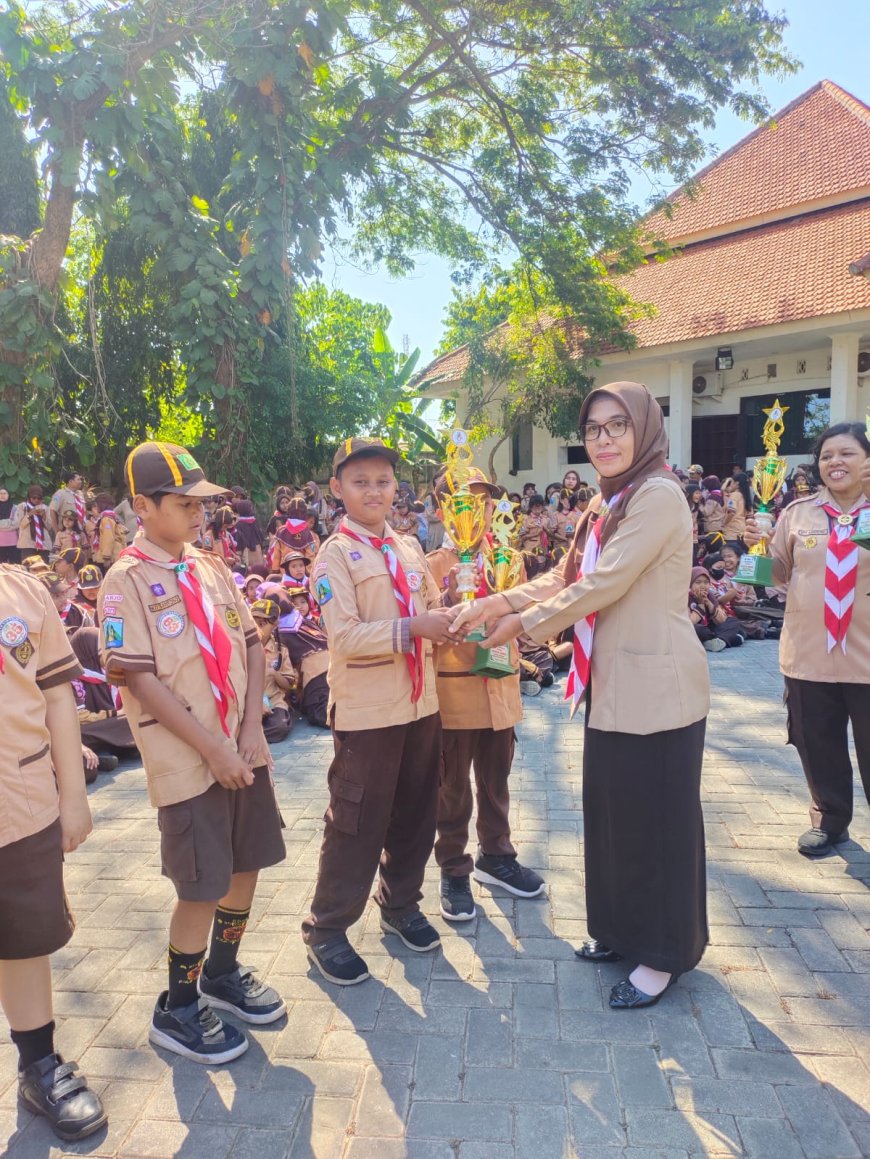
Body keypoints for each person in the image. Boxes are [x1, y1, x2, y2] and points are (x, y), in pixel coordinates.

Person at [449, 382, 710, 1009]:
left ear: (644, 429)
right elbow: (564, 577)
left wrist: (520, 627)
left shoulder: (658, 498)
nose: (605, 439)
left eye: (618, 425)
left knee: (660, 826)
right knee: (615, 819)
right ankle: (622, 932)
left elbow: (604, 583)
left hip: (660, 690)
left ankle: (665, 953)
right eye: (594, 429)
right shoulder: (605, 503)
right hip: (611, 688)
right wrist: (494, 601)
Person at [99, 441, 286, 1063]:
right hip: (189, 762)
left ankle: (222, 974)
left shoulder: (209, 567)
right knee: (200, 885)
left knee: (246, 863)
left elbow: (254, 644)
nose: (198, 513)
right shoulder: (123, 584)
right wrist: (213, 750)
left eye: (201, 502)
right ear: (142, 507)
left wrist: (254, 727)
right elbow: (142, 681)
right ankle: (178, 1007)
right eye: (183, 504)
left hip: (241, 746)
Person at [301, 437, 456, 986]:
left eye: (384, 481)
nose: (374, 491)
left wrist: (459, 615)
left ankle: (400, 905)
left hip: (421, 703)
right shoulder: (334, 556)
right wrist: (413, 628)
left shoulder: (410, 548)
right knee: (356, 820)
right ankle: (328, 928)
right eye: (360, 481)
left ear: (397, 488)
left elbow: (433, 607)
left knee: (417, 811)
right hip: (368, 712)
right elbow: (343, 636)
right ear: (337, 489)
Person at [0, 564, 106, 1141]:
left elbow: (58, 696)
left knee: (22, 937)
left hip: (16, 801)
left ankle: (38, 1063)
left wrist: (73, 796)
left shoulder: (20, 589)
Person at [745, 421, 870, 859]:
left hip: (867, 655)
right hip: (809, 653)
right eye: (826, 455)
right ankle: (830, 820)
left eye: (847, 453)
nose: (835, 462)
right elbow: (779, 572)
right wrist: (756, 548)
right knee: (817, 744)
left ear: (867, 460)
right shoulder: (799, 513)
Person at [427, 469, 544, 922]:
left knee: (496, 783)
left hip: (501, 687)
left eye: (486, 501)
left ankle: (496, 856)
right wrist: (448, 596)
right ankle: (454, 868)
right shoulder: (432, 564)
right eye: (466, 502)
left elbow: (530, 610)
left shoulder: (509, 558)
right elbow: (421, 627)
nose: (480, 509)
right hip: (456, 696)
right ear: (444, 510)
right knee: (452, 789)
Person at [277, 585, 330, 726]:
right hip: (327, 664)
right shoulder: (298, 619)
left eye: (303, 602)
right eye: (294, 603)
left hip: (314, 670)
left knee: (320, 714)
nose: (299, 606)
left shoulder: (282, 627)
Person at [249, 598, 296, 744]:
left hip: (273, 703)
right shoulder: (243, 649)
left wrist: (274, 673)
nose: (257, 628)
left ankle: (251, 737)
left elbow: (289, 685)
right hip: (250, 703)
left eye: (262, 624)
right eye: (254, 623)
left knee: (280, 726)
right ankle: (250, 735)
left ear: (275, 624)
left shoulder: (280, 651)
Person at [688, 568, 745, 651]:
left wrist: (708, 603)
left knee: (733, 621)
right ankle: (724, 639)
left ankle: (716, 641)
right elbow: (689, 622)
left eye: (706, 582)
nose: (703, 586)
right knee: (696, 629)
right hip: (698, 630)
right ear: (690, 584)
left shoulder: (710, 596)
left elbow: (722, 621)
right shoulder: (686, 597)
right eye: (698, 582)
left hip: (711, 629)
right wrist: (700, 605)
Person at [90, 493, 127, 570]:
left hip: (112, 556)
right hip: (115, 554)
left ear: (102, 505)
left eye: (97, 505)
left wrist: (106, 557)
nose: (96, 508)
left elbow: (108, 538)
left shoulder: (107, 519)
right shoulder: (112, 517)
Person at [18, 485, 52, 560]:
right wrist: (29, 514)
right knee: (28, 568)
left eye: (39, 498)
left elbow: (49, 527)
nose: (36, 500)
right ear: (29, 497)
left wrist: (44, 516)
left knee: (43, 569)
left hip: (44, 545)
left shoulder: (45, 508)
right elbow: (20, 525)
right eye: (34, 498)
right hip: (28, 544)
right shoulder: (22, 507)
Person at [48, 471, 85, 538]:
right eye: (78, 479)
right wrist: (56, 530)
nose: (80, 482)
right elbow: (52, 510)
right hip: (66, 532)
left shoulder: (80, 494)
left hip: (81, 532)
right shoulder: (60, 494)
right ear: (70, 481)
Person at [722, 472, 752, 544]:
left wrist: (724, 523)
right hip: (742, 529)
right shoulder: (745, 496)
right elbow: (750, 515)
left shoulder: (734, 495)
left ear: (737, 483)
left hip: (732, 531)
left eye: (732, 482)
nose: (731, 484)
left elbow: (732, 512)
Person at [0, 487, 20, 563]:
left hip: (13, 542)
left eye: (4, 493)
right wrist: (9, 523)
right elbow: (12, 523)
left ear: (8, 495)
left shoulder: (15, 508)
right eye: (0, 493)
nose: (2, 495)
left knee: (14, 566)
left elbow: (16, 524)